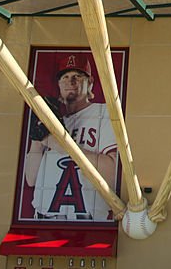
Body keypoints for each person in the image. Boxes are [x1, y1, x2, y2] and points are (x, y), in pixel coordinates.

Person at [25, 53, 118, 221]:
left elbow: (112, 172)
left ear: (90, 83)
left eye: (78, 76)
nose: (71, 82)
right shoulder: (53, 119)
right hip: (44, 219)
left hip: (88, 220)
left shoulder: (103, 113)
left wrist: (58, 143)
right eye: (65, 77)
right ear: (59, 85)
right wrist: (37, 141)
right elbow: (31, 180)